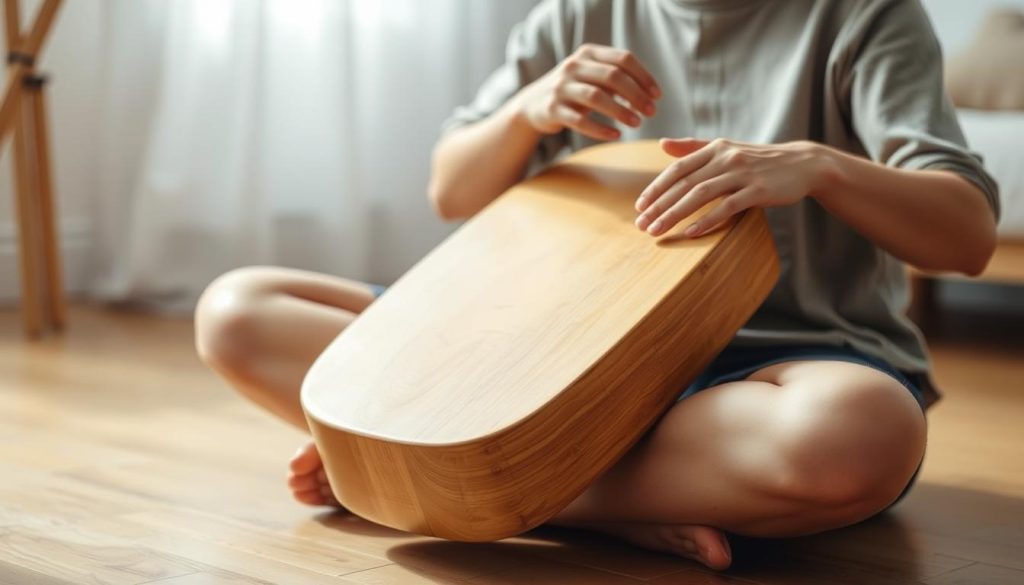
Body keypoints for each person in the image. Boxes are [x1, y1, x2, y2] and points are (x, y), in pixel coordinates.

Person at [194, 0, 1000, 571]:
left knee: (863, 432)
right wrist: (525, 112)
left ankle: (443, 482)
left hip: (777, 368)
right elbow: (452, 192)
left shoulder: (865, 15)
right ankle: (615, 507)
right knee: (239, 311)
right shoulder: (574, 15)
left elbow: (966, 236)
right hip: (547, 354)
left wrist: (820, 165)